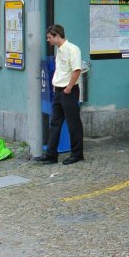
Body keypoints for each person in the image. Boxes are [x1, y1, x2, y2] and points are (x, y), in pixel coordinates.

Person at [36, 24, 85, 165]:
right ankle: (51, 154)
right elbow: (61, 71)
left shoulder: (73, 50)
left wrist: (68, 88)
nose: (48, 40)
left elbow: (76, 70)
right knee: (54, 123)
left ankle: (77, 154)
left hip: (68, 91)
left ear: (57, 35)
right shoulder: (59, 50)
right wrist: (54, 84)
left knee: (73, 124)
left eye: (49, 37)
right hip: (58, 90)